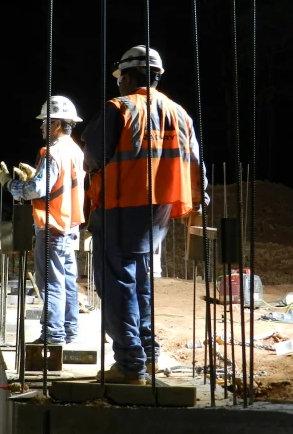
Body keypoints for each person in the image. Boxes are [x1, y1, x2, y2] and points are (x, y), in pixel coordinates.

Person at [81, 45, 208, 385]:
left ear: (131, 76)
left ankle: (129, 365)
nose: (118, 84)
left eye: (121, 77)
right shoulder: (178, 113)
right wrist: (199, 200)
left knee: (116, 283)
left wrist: (99, 176)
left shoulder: (120, 108)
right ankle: (147, 355)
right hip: (159, 211)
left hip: (121, 207)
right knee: (139, 280)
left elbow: (92, 152)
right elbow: (196, 162)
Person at [0, 95, 86, 345]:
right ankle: (69, 330)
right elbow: (59, 184)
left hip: (53, 226)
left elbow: (38, 190)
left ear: (56, 123)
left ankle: (53, 334)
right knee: (68, 281)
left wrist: (11, 184)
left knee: (51, 283)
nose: (40, 127)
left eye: (44, 122)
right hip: (70, 226)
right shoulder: (75, 151)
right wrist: (36, 176)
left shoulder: (53, 153)